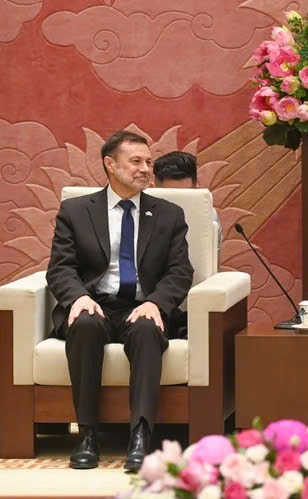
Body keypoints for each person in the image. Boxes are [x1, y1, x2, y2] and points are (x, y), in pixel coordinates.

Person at [46, 131, 193, 471]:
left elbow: (180, 270)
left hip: (141, 304)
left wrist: (156, 303)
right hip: (95, 302)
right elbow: (61, 267)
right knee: (84, 324)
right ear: (110, 164)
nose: (146, 169)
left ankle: (140, 437)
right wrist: (77, 297)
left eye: (148, 162)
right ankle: (87, 435)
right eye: (136, 161)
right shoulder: (76, 211)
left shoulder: (169, 214)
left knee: (147, 329)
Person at [153, 151, 222, 249]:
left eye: (185, 196)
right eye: (171, 197)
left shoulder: (209, 216)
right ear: (154, 189)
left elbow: (212, 258)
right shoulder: (140, 215)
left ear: (196, 187)